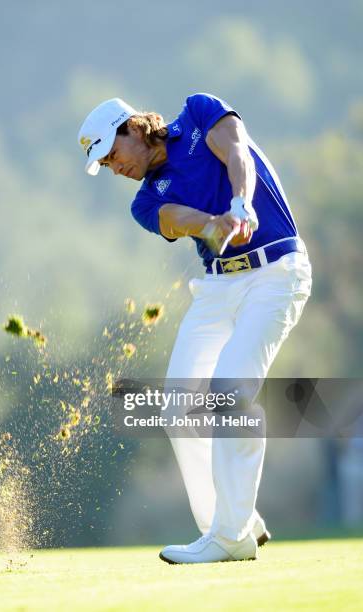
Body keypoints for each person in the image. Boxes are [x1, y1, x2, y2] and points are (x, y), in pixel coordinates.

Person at [77, 93, 312, 564]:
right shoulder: (145, 201)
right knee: (175, 410)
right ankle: (229, 526)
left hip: (276, 274)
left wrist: (241, 204)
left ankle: (231, 533)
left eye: (112, 154)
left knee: (230, 393)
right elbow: (176, 219)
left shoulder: (199, 111)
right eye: (103, 165)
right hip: (218, 289)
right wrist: (213, 224)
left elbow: (238, 152)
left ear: (133, 128)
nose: (112, 167)